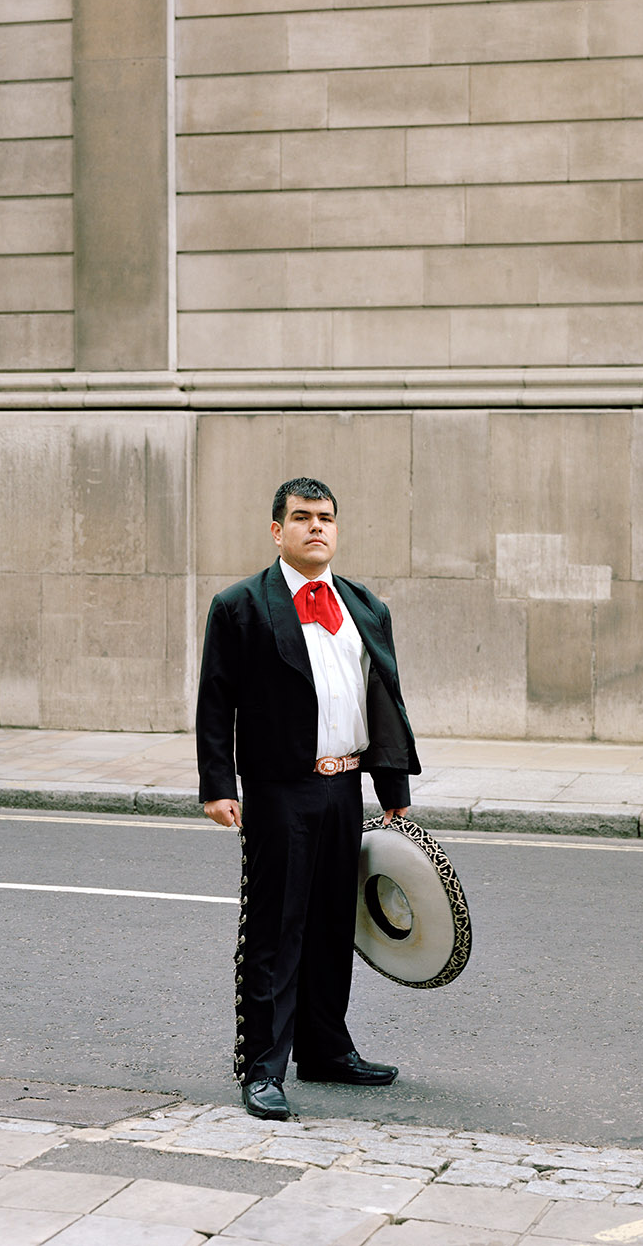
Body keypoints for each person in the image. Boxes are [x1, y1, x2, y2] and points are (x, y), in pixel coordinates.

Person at [196, 477, 420, 1120]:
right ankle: (262, 1067)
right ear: (278, 531)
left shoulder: (364, 605)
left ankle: (324, 1049)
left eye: (325, 517)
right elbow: (215, 700)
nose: (315, 527)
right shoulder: (239, 605)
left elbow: (384, 696)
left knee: (331, 924)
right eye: (301, 517)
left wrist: (391, 786)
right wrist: (219, 785)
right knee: (276, 928)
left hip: (344, 786)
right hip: (280, 789)